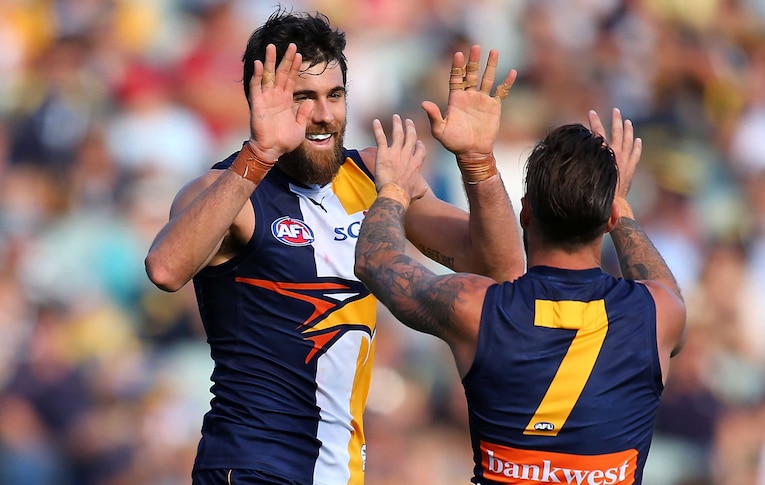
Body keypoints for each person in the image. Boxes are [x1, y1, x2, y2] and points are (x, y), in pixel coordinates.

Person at [143, 8, 524, 485]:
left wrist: (477, 160)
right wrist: (259, 155)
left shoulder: (371, 174)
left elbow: (501, 268)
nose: (324, 116)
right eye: (304, 98)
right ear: (259, 100)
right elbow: (165, 268)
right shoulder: (229, 189)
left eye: (335, 95)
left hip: (339, 473)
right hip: (251, 467)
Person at [355, 108, 687, 485]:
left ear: (525, 213)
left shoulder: (475, 307)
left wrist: (394, 189)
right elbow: (668, 292)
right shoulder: (658, 314)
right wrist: (622, 206)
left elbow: (375, 262)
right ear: (608, 219)